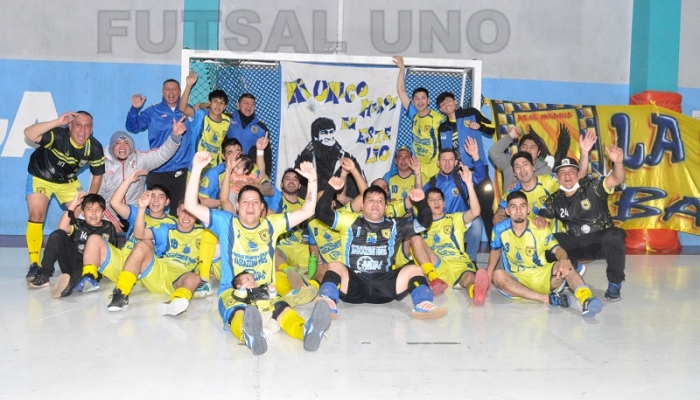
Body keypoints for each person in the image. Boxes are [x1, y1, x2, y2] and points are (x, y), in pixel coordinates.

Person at [185, 151, 331, 355]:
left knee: (283, 309)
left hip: (265, 291)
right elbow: (191, 205)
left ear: (262, 207)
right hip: (232, 290)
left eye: (255, 202)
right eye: (245, 202)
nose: (250, 206)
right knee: (238, 312)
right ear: (237, 205)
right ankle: (250, 335)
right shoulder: (225, 222)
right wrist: (197, 169)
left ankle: (306, 331)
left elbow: (307, 211)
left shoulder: (272, 224)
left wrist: (313, 181)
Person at [315, 176, 447, 320]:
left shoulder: (395, 225)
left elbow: (424, 223)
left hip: (384, 287)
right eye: (371, 200)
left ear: (385, 208)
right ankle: (327, 304)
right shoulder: (348, 220)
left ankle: (424, 305)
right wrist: (330, 189)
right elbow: (322, 213)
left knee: (415, 269)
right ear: (362, 206)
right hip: (353, 284)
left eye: (380, 201)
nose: (375, 204)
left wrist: (421, 202)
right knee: (334, 266)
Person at [486, 191, 603, 317]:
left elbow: (558, 250)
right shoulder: (499, 229)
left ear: (528, 209)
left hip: (544, 277)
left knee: (566, 265)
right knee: (497, 275)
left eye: (522, 206)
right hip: (518, 280)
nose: (518, 210)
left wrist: (563, 260)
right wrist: (488, 275)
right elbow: (495, 251)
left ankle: (586, 299)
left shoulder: (539, 228)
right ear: (507, 211)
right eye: (513, 206)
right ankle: (547, 299)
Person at [535, 143, 627, 301]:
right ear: (557, 177)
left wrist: (618, 163)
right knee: (548, 242)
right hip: (576, 242)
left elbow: (616, 178)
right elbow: (543, 220)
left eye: (571, 171)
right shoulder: (554, 199)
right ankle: (572, 267)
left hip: (599, 241)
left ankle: (615, 283)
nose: (567, 176)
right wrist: (539, 220)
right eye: (562, 172)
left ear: (578, 174)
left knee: (615, 235)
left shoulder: (593, 187)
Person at [24, 111, 106, 282]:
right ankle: (35, 264)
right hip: (41, 175)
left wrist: (89, 202)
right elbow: (29, 133)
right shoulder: (58, 135)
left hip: (67, 181)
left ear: (92, 129)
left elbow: (97, 177)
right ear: (70, 126)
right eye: (78, 125)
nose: (82, 130)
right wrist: (56, 122)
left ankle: (81, 259)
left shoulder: (94, 147)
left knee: (83, 215)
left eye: (87, 126)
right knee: (37, 214)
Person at [76, 171, 177, 293]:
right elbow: (114, 203)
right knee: (94, 238)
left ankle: (123, 289)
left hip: (145, 268)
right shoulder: (138, 212)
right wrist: (129, 180)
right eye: (152, 196)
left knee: (144, 243)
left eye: (161, 197)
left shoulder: (172, 223)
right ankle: (89, 278)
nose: (156, 200)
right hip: (123, 261)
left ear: (167, 202)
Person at [106, 199, 204, 316]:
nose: (186, 216)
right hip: (158, 271)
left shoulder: (203, 232)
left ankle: (175, 302)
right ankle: (121, 293)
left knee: (194, 278)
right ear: (178, 211)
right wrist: (142, 208)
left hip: (180, 277)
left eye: (191, 212)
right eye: (183, 211)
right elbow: (139, 234)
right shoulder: (166, 229)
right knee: (142, 244)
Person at [99, 118, 186, 231]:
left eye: (126, 143)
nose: (122, 147)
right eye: (117, 143)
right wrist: (112, 219)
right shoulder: (102, 165)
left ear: (131, 146)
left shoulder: (141, 159)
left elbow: (162, 154)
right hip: (109, 214)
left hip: (135, 213)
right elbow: (98, 196)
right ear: (112, 147)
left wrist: (175, 136)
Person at [417, 174, 490, 306]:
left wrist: (469, 183)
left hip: (458, 263)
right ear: (426, 205)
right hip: (437, 265)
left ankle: (475, 290)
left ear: (444, 203)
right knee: (415, 237)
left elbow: (475, 212)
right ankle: (434, 278)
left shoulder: (455, 219)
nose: (436, 202)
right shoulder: (421, 226)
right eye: (432, 200)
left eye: (439, 199)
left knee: (468, 277)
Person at [27, 192, 117, 298]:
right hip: (72, 261)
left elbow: (112, 253)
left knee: (80, 274)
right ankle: (44, 274)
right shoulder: (79, 224)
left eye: (98, 209)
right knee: (57, 235)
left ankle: (67, 287)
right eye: (89, 209)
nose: (93, 213)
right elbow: (62, 226)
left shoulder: (108, 228)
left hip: (90, 268)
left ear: (103, 213)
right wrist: (74, 204)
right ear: (82, 212)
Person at [436, 92, 496, 241]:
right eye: (442, 104)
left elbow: (492, 128)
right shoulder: (442, 128)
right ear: (441, 109)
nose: (446, 105)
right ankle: (462, 250)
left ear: (455, 102)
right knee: (461, 214)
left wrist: (480, 126)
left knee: (487, 213)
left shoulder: (471, 113)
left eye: (448, 101)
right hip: (458, 177)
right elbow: (443, 152)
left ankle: (494, 249)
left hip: (479, 172)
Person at [229, 270, 332, 355]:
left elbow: (272, 296)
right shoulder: (241, 292)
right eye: (247, 279)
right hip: (256, 316)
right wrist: (243, 288)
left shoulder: (261, 289)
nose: (252, 281)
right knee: (249, 317)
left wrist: (272, 291)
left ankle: (305, 332)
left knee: (281, 313)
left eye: (253, 279)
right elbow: (240, 295)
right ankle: (248, 334)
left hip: (269, 312)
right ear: (238, 285)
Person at [126, 79, 189, 216]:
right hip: (158, 169)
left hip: (182, 170)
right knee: (154, 212)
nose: (171, 92)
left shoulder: (188, 110)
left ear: (180, 92)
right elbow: (133, 126)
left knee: (179, 213)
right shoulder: (153, 111)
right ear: (162, 92)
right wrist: (135, 109)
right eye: (167, 89)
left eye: (174, 89)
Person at [424, 144, 486, 264]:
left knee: (477, 222)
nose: (447, 163)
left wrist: (475, 156)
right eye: (444, 159)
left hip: (460, 226)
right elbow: (419, 203)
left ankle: (471, 260)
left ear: (456, 162)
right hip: (439, 230)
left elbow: (481, 176)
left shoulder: (462, 179)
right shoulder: (431, 183)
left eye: (451, 159)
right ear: (438, 163)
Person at [393, 55, 445, 181]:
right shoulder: (414, 115)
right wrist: (402, 69)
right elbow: (401, 91)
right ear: (413, 101)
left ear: (428, 101)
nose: (420, 101)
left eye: (423, 98)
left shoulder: (438, 119)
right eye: (416, 98)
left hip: (435, 166)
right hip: (418, 166)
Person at [294, 117, 364, 198]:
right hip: (315, 202)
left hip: (342, 203)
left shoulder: (346, 157)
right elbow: (298, 183)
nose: (328, 136)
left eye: (331, 132)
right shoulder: (307, 157)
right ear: (316, 136)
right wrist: (307, 155)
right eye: (324, 133)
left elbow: (359, 186)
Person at [179, 71, 231, 171]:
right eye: (215, 101)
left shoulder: (227, 121)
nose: (218, 105)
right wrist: (189, 85)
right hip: (197, 166)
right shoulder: (200, 115)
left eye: (221, 103)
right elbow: (182, 108)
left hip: (215, 168)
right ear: (209, 103)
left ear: (225, 106)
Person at [493, 152, 560, 227]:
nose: (522, 170)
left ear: (533, 167)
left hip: (557, 231)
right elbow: (497, 217)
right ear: (514, 173)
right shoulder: (512, 192)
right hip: (529, 232)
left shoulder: (551, 180)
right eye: (517, 167)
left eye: (525, 165)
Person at [488, 125, 552, 191]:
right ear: (519, 149)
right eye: (524, 147)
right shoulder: (509, 164)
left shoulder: (545, 170)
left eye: (532, 147)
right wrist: (511, 136)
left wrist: (520, 183)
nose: (528, 150)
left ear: (538, 152)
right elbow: (493, 152)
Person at [226, 93, 273, 174]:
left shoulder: (262, 128)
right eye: (246, 103)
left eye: (252, 104)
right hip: (228, 167)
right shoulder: (226, 119)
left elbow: (267, 154)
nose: (249, 106)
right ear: (238, 105)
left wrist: (266, 175)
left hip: (249, 171)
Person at [382, 146, 423, 212]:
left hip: (416, 216)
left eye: (406, 157)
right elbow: (381, 198)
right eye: (400, 157)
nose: (403, 160)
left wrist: (417, 172)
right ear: (395, 161)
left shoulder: (419, 176)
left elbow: (421, 197)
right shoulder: (388, 177)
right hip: (394, 215)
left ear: (411, 159)